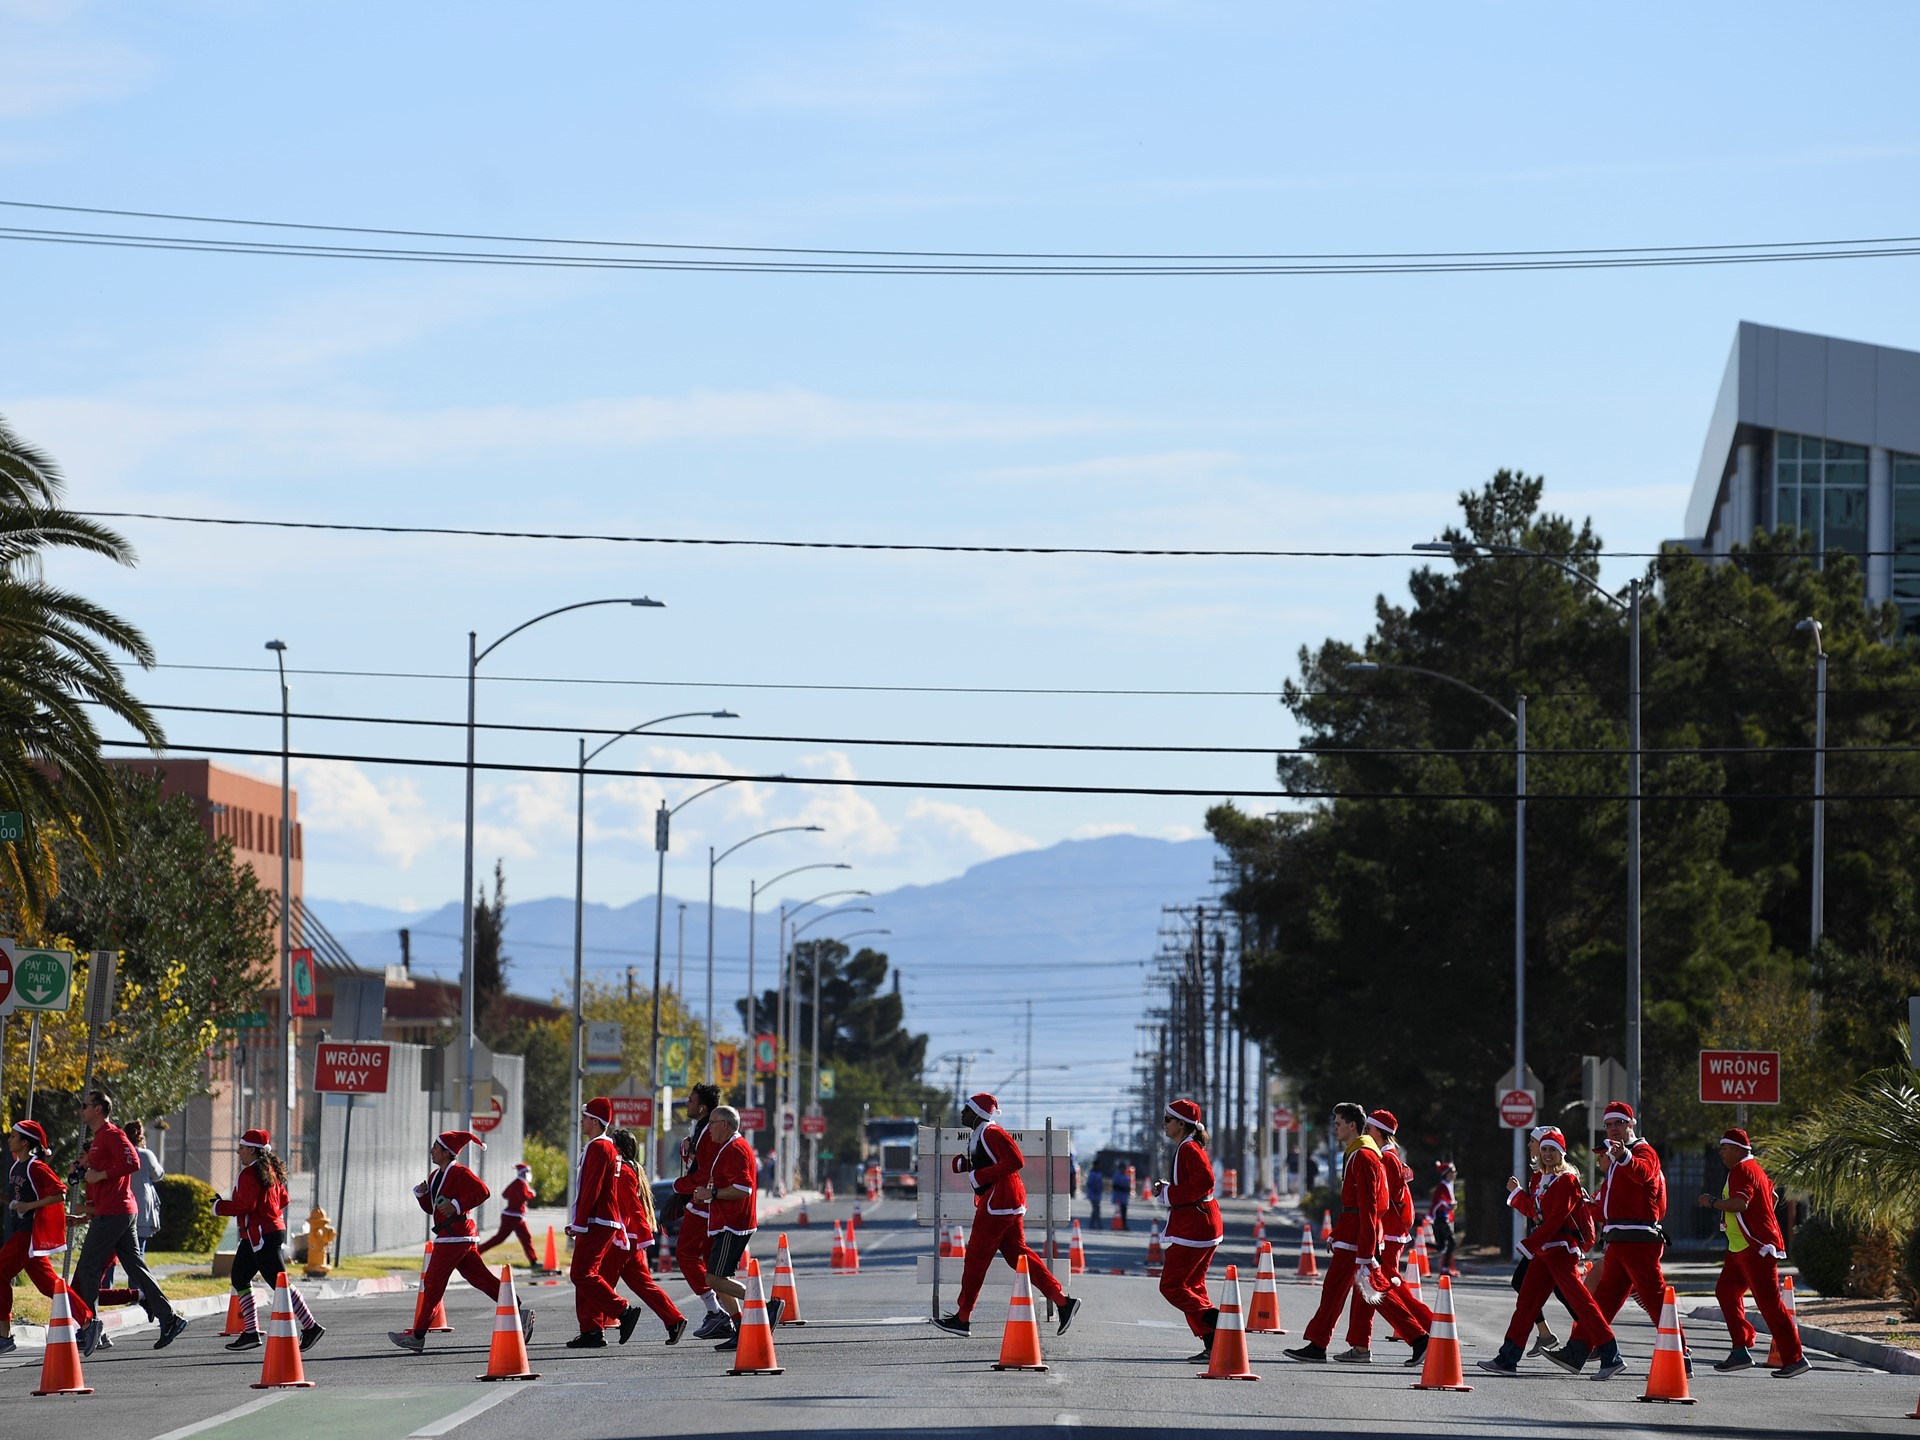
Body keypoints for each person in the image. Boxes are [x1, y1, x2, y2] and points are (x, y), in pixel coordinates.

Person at [1285, 1103, 1429, 1366]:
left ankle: (1420, 1338)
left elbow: (1371, 1205)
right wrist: (1338, 1232)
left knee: (1374, 1291)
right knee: (1341, 1291)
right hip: (1353, 1234)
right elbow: (1357, 1204)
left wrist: (1366, 1249)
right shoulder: (1359, 1153)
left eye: (1338, 1122)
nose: (1335, 1127)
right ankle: (1319, 1344)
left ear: (1353, 1125)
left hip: (1357, 1237)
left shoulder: (1363, 1156)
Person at [1476, 1127, 1623, 1378]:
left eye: (1552, 1150)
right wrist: (1517, 1194)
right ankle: (1507, 1358)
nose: (1546, 1154)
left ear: (1561, 1153)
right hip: (1545, 1252)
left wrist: (1530, 1244)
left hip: (1561, 1252)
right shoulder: (1538, 1179)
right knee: (1526, 1303)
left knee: (1582, 1303)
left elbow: (1556, 1220)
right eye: (1543, 1149)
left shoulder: (1567, 1180)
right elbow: (1536, 1214)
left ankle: (1611, 1356)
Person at [933, 1092, 1080, 1338]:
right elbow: (997, 1162)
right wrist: (968, 1166)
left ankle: (963, 1318)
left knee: (976, 1259)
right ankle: (1063, 1302)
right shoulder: (982, 1134)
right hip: (1005, 1200)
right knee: (1018, 1255)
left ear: (978, 1113)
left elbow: (1015, 1160)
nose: (962, 1113)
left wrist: (979, 1175)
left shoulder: (992, 1132)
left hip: (998, 1202)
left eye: (966, 1109)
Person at [389, 1130, 533, 1352]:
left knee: (433, 1283)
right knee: (481, 1279)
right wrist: (421, 1195)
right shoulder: (435, 1176)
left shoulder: (461, 1173)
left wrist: (457, 1205)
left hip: (456, 1236)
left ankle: (417, 1335)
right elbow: (432, 1208)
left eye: (436, 1148)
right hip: (452, 1236)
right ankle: (518, 1310)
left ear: (447, 1153)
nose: (432, 1152)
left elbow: (483, 1192)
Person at [70, 1088, 185, 1355]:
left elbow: (132, 1161)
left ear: (98, 1109)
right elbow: (100, 1175)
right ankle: (170, 1319)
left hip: (115, 1212)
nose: (82, 1109)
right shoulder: (98, 1138)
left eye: (85, 1105)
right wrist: (86, 1175)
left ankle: (90, 1326)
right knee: (135, 1267)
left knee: (87, 1267)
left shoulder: (111, 1134)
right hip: (114, 1211)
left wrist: (100, 1175)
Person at [1698, 1128, 1807, 1378]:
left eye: (1724, 1148)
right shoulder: (1751, 1168)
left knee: (1769, 1304)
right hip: (1739, 1249)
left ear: (1737, 1149)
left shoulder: (1742, 1169)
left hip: (1756, 1248)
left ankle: (1795, 1358)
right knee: (1725, 1292)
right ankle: (1741, 1349)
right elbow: (1773, 1195)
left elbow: (1740, 1203)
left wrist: (1712, 1202)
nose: (1721, 1153)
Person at [214, 1129, 324, 1353]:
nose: (238, 1152)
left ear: (253, 1150)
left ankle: (311, 1326)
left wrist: (218, 1206)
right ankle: (251, 1332)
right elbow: (283, 1199)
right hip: (261, 1233)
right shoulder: (269, 1170)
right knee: (240, 1277)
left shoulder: (250, 1174)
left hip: (260, 1235)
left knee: (279, 1283)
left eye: (242, 1148)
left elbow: (245, 1206)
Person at [1586, 1102, 1682, 1354]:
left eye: (1618, 1123)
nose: (1612, 1129)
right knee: (1605, 1297)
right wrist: (1586, 1205)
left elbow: (1644, 1173)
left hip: (1638, 1239)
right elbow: (1606, 1208)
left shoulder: (1642, 1152)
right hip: (1620, 1240)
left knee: (1653, 1298)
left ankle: (1680, 1352)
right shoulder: (1617, 1167)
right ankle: (1582, 1349)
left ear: (1631, 1124)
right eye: (1608, 1125)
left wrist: (1624, 1157)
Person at [1340, 1109, 1434, 1363]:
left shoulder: (1387, 1159)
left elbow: (1381, 1199)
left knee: (1385, 1287)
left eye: (1369, 1129)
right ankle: (1361, 1345)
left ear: (1380, 1132)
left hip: (1389, 1234)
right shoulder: (1387, 1156)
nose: (1366, 1133)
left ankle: (1429, 1331)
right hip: (1386, 1232)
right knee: (1371, 1288)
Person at [1, 1119, 91, 1355]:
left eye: (13, 1136)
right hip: (24, 1233)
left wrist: (30, 1205)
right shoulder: (15, 1167)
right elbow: (14, 1199)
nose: (9, 1139)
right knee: (50, 1287)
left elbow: (59, 1193)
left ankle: (4, 1335)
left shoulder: (35, 1166)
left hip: (28, 1233)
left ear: (24, 1142)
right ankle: (89, 1322)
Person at [692, 1106, 777, 1350]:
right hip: (725, 1222)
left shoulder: (736, 1150)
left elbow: (743, 1189)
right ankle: (740, 1327)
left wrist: (712, 1193)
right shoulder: (727, 1148)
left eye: (713, 1124)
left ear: (726, 1125)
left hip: (734, 1224)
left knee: (715, 1279)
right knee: (722, 1280)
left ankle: (765, 1305)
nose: (708, 1130)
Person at [603, 1128, 686, 1345]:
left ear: (618, 1148)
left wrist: (643, 1234)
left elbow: (632, 1206)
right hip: (632, 1240)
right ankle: (674, 1320)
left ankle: (593, 1328)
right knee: (644, 1285)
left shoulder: (623, 1171)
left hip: (623, 1239)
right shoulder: (631, 1169)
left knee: (598, 1281)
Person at [1153, 1099, 1222, 1360]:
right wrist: (1169, 1189)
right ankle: (1213, 1344)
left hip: (1195, 1227)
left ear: (1181, 1124)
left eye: (1168, 1120)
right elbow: (1196, 1184)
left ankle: (1216, 1320)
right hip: (1203, 1224)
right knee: (1193, 1285)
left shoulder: (1188, 1148)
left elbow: (1206, 1182)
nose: (1164, 1125)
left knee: (1171, 1286)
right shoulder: (1187, 1146)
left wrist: (1170, 1193)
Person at [566, 1097, 627, 1348]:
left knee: (581, 1274)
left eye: (586, 1117)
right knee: (586, 1275)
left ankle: (622, 1310)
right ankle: (591, 1330)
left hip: (597, 1220)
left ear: (595, 1121)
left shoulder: (597, 1147)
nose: (582, 1121)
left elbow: (591, 1188)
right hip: (600, 1219)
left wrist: (579, 1222)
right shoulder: (605, 1146)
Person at [672, 1083, 730, 1340]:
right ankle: (733, 1318)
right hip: (707, 1205)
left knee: (685, 1254)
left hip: (704, 1206)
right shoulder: (702, 1130)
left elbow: (705, 1174)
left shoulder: (708, 1133)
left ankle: (717, 1311)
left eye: (691, 1100)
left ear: (703, 1107)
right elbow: (701, 1165)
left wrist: (679, 1186)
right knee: (713, 1267)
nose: (687, 1103)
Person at [477, 1161, 539, 1267]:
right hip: (513, 1216)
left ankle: (533, 1261)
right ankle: (476, 1252)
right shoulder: (520, 1184)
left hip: (512, 1215)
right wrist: (531, 1194)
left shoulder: (517, 1183)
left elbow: (505, 1194)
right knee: (516, 1238)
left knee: (515, 1238)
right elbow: (524, 1196)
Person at [1429, 1160, 1459, 1276]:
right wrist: (1449, 1205)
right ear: (1446, 1173)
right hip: (1441, 1218)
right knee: (1451, 1242)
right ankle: (1445, 1269)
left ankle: (1416, 1244)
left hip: (1444, 1218)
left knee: (1442, 1245)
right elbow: (1438, 1201)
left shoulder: (1447, 1185)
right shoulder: (1443, 1186)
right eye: (1453, 1172)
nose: (1455, 1174)